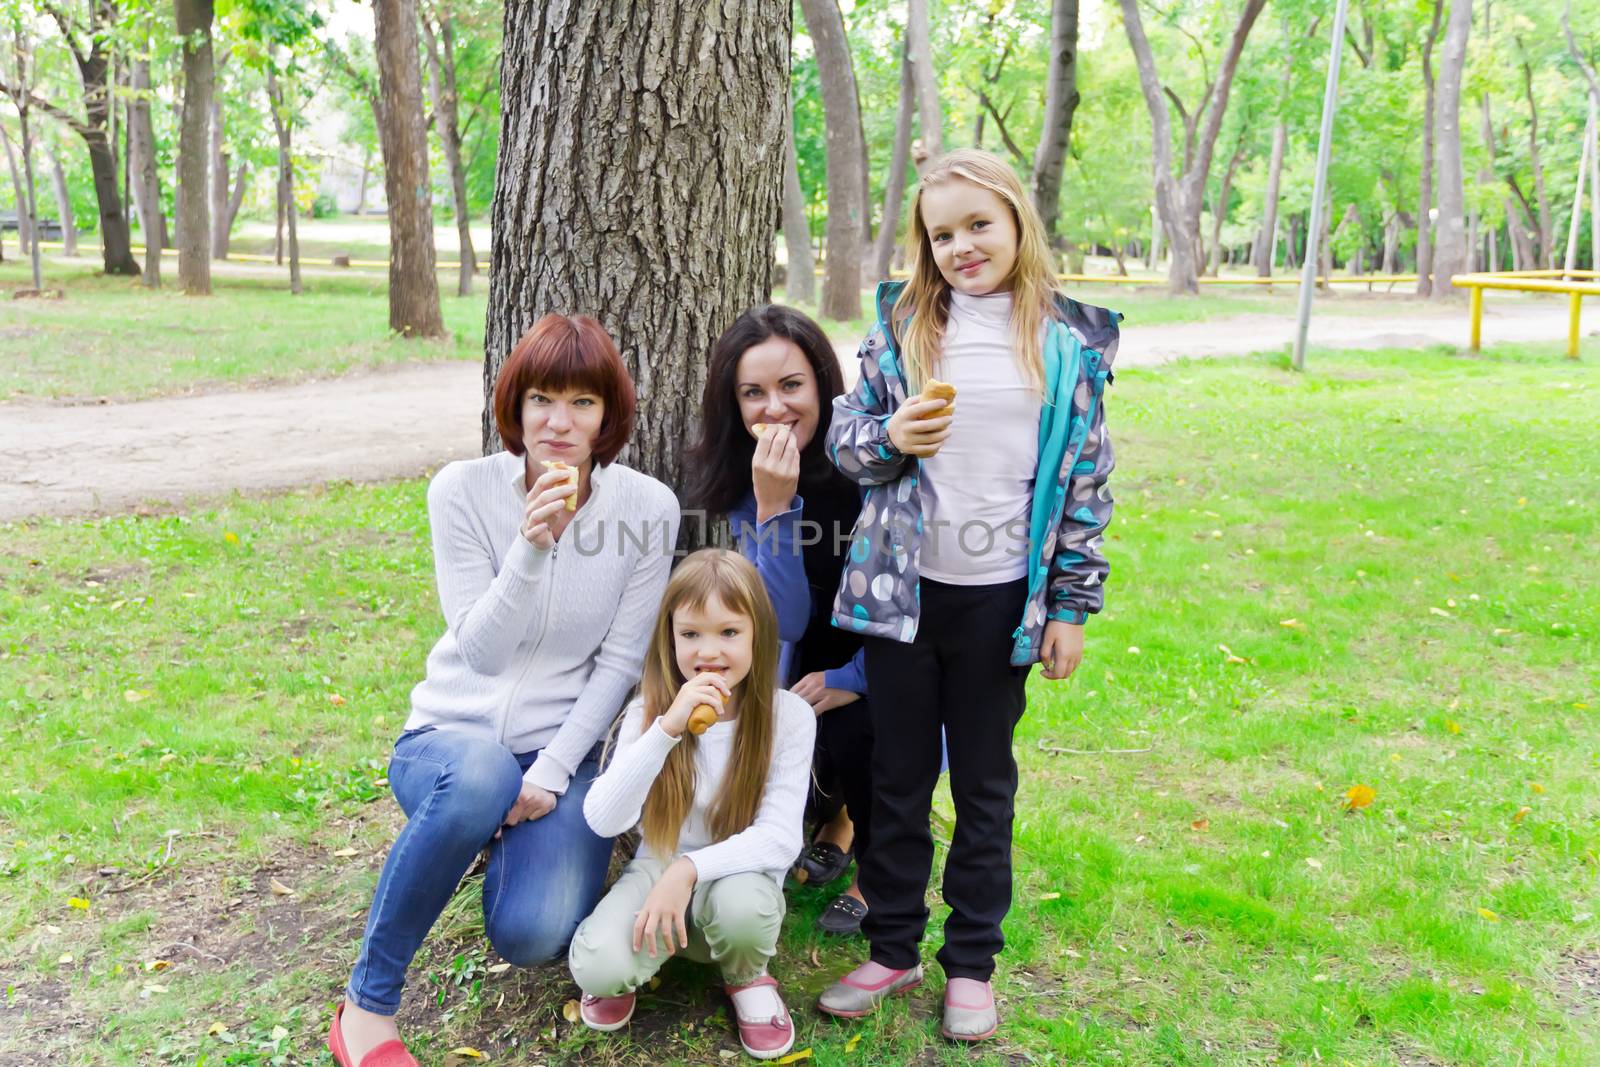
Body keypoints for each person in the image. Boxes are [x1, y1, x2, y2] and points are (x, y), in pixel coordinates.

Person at [816, 149, 1119, 1042]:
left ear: (1019, 221)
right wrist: (892, 436)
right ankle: (894, 946)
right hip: (903, 598)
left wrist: (1070, 605)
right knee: (898, 777)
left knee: (985, 786)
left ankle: (973, 963)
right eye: (941, 233)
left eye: (978, 224)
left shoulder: (1066, 346)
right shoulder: (905, 327)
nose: (960, 245)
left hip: (1001, 604)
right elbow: (846, 443)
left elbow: (1086, 486)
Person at [328, 315, 681, 1067]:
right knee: (481, 774)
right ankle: (366, 1007)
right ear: (514, 407)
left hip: (563, 755)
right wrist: (530, 544)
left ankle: (486, 840)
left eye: (583, 403)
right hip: (450, 743)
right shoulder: (461, 489)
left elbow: (619, 663)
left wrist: (551, 773)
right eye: (543, 399)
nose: (560, 421)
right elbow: (480, 652)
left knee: (532, 931)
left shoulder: (648, 508)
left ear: (608, 416)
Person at [568, 550, 816, 1061]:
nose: (709, 651)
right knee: (597, 968)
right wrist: (666, 730)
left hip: (737, 875)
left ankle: (746, 975)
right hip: (657, 866)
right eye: (691, 634)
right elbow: (602, 817)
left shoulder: (788, 716)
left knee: (743, 914)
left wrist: (688, 870)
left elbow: (780, 839)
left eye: (729, 632)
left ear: (758, 636)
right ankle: (645, 955)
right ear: (670, 637)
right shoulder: (650, 710)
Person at [685, 305, 876, 936]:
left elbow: (917, 597)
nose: (774, 408)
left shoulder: (868, 464)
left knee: (862, 735)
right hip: (804, 643)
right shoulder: (750, 474)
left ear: (822, 382)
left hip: (884, 644)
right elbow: (785, 619)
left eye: (791, 385)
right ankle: (832, 815)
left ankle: (873, 863)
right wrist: (772, 507)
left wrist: (856, 675)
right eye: (753, 393)